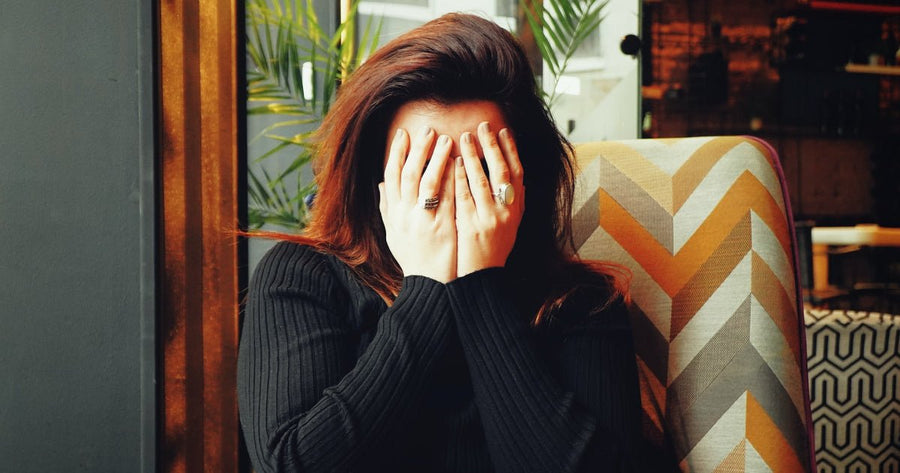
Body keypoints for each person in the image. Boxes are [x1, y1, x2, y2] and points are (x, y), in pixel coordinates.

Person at [237, 13, 677, 473]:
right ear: (377, 176)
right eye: (423, 166)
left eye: (476, 167)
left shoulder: (580, 303)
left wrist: (478, 283)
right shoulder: (303, 276)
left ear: (522, 177)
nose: (450, 193)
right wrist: (426, 283)